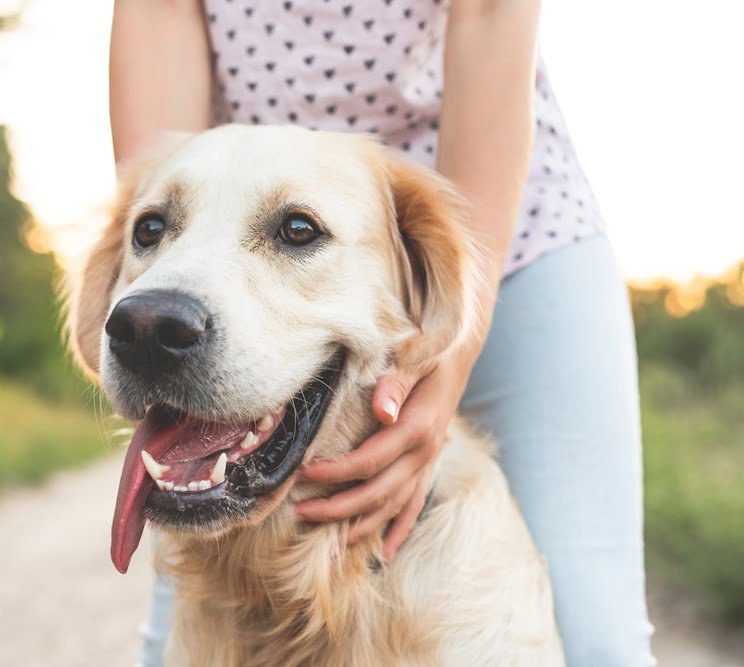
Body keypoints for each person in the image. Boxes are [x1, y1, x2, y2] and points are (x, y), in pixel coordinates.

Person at [109, 1, 655, 664]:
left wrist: (448, 359)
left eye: (297, 230)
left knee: (600, 637)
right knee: (170, 641)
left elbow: (488, 12)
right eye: (151, 231)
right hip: (231, 174)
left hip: (508, 213)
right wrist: (179, 243)